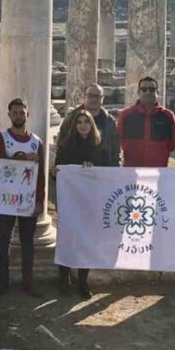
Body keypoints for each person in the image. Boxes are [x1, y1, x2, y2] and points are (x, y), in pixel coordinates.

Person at [53, 109, 116, 299]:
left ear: (92, 125)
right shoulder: (66, 146)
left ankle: (82, 280)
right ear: (75, 125)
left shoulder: (100, 147)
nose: (83, 125)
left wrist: (93, 171)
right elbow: (58, 171)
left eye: (86, 122)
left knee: (86, 240)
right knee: (67, 238)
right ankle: (64, 278)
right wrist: (57, 172)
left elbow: (106, 172)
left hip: (91, 202)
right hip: (70, 202)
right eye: (79, 122)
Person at [0, 98, 46, 297]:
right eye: (15, 113)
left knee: (27, 242)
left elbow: (40, 175)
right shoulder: (2, 138)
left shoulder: (36, 142)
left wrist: (40, 200)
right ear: (9, 115)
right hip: (6, 198)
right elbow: (0, 165)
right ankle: (2, 280)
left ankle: (28, 282)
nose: (18, 116)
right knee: (3, 240)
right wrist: (22, 159)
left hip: (28, 199)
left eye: (22, 112)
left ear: (27, 114)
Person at [117, 76, 175, 168]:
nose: (148, 92)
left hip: (158, 167)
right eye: (144, 89)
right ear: (138, 92)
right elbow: (119, 138)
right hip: (132, 167)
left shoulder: (168, 115)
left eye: (152, 89)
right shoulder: (126, 115)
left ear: (157, 92)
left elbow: (173, 142)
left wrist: (161, 151)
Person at [60, 83, 120, 167]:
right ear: (84, 97)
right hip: (75, 169)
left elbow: (115, 151)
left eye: (97, 96)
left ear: (103, 98)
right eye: (90, 95)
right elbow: (61, 146)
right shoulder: (71, 119)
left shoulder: (109, 122)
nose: (94, 99)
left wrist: (115, 169)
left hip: (102, 170)